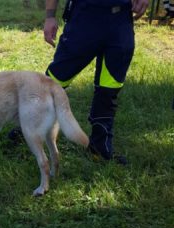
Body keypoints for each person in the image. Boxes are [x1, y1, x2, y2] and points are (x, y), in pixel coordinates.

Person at [42, 0, 149, 164]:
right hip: (85, 17)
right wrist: (50, 16)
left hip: (121, 20)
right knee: (55, 80)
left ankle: (100, 147)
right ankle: (27, 127)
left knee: (110, 86)